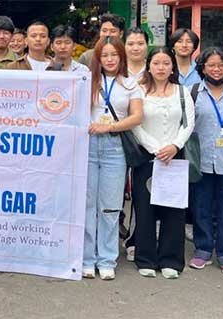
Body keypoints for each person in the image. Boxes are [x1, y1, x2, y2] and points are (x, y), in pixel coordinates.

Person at [82, 36, 143, 280]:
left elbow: (137, 116)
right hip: (87, 145)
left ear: (121, 57)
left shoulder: (130, 84)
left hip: (115, 147)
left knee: (110, 206)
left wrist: (109, 127)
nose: (109, 59)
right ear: (98, 58)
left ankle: (107, 259)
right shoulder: (87, 81)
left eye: (114, 55)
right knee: (87, 205)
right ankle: (87, 258)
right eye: (104, 55)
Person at [131, 47, 194, 279]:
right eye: (156, 63)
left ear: (172, 67)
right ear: (149, 65)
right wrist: (155, 148)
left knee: (174, 209)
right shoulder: (139, 91)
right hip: (147, 157)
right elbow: (135, 123)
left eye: (166, 63)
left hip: (174, 157)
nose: (161, 68)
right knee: (145, 209)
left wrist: (175, 146)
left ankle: (171, 260)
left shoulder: (182, 92)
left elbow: (188, 123)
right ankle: (145, 258)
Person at [188, 47, 223, 277]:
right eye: (211, 65)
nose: (216, 69)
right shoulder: (192, 93)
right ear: (202, 68)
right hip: (200, 161)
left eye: (221, 65)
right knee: (200, 207)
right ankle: (202, 249)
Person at [120, 27, 150, 262]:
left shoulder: (155, 68)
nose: (135, 48)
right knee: (116, 192)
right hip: (119, 136)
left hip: (147, 139)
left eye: (140, 43)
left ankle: (135, 239)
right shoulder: (117, 69)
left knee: (141, 193)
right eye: (131, 43)